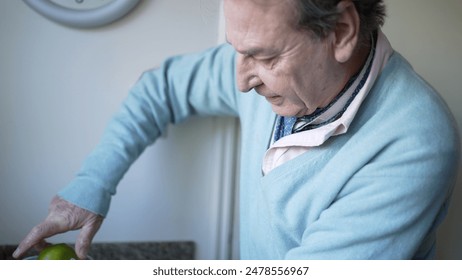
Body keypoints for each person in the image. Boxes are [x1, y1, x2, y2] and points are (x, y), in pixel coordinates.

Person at [13, 0, 460, 260]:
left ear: (341, 31)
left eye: (265, 58)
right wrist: (87, 189)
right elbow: (160, 88)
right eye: (237, 52)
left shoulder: (413, 142)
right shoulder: (269, 77)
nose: (241, 80)